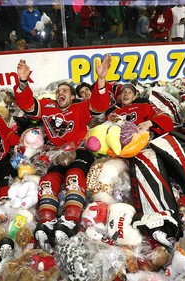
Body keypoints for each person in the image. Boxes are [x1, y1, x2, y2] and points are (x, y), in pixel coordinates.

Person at [13, 54, 112, 252]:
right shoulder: (47, 107)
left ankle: (71, 220)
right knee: (48, 180)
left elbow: (100, 106)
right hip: (54, 154)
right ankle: (47, 221)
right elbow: (27, 105)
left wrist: (101, 80)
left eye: (65, 91)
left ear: (72, 96)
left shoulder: (80, 108)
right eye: (59, 91)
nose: (61, 93)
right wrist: (22, 81)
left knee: (74, 177)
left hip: (79, 151)